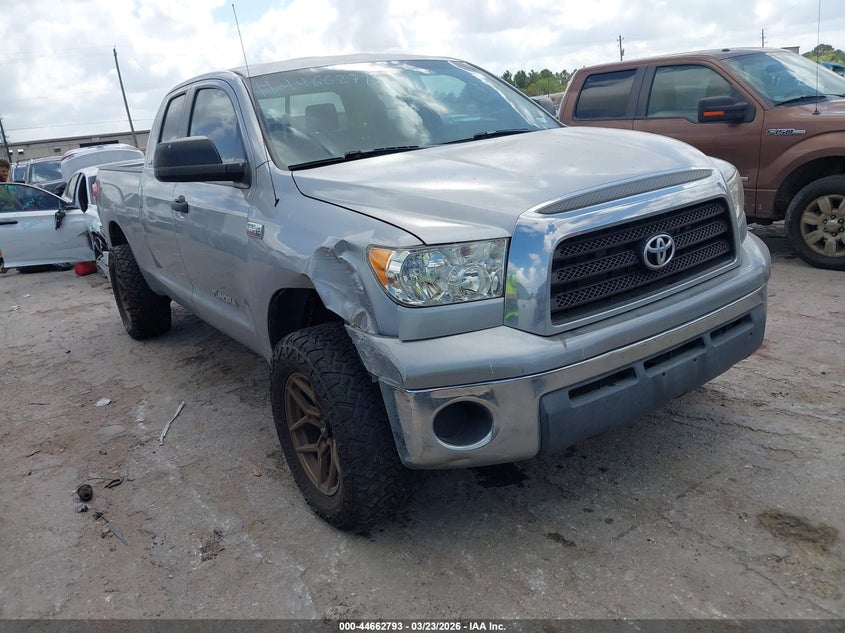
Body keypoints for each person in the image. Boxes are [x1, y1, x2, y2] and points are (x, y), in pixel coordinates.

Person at [0, 158, 11, 273]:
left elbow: (12, 197)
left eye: (6, 171)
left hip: (11, 215)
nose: (5, 173)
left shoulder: (6, 182)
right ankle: (3, 261)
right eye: (3, 171)